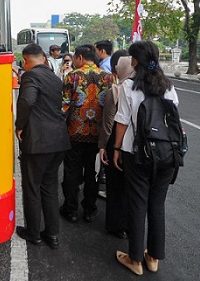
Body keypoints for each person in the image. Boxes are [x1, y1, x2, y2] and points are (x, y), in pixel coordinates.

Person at [112, 40, 179, 276]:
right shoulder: (168, 86)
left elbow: (121, 120)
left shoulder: (129, 86)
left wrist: (117, 149)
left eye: (132, 57)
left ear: (136, 61)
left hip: (137, 153)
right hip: (167, 155)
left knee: (138, 204)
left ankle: (135, 259)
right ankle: (153, 258)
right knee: (157, 205)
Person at [15, 43, 70, 250]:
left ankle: (33, 233)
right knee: (50, 188)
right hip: (59, 141)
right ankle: (52, 234)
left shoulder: (30, 76)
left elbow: (27, 101)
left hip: (38, 142)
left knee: (32, 188)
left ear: (26, 60)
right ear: (45, 58)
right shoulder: (55, 78)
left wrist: (19, 126)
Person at [60, 44, 113, 224]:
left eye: (75, 57)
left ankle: (71, 209)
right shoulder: (108, 77)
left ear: (80, 57)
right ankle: (90, 210)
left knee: (71, 172)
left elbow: (64, 104)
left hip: (75, 131)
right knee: (92, 172)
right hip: (97, 134)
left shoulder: (73, 75)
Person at [99, 50, 132, 240]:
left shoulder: (117, 90)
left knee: (115, 185)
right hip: (135, 144)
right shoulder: (143, 88)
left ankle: (115, 224)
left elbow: (108, 122)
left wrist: (103, 146)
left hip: (117, 142)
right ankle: (128, 224)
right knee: (130, 187)